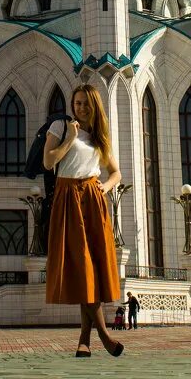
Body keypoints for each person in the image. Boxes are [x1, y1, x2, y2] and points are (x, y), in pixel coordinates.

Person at [43, 85, 125, 359]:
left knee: (93, 269)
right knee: (82, 268)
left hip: (92, 197)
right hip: (67, 198)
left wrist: (105, 187)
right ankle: (104, 336)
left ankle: (84, 341)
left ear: (94, 106)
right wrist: (71, 138)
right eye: (77, 103)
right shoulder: (61, 127)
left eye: (85, 104)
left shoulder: (99, 139)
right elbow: (48, 162)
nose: (80, 108)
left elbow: (116, 173)